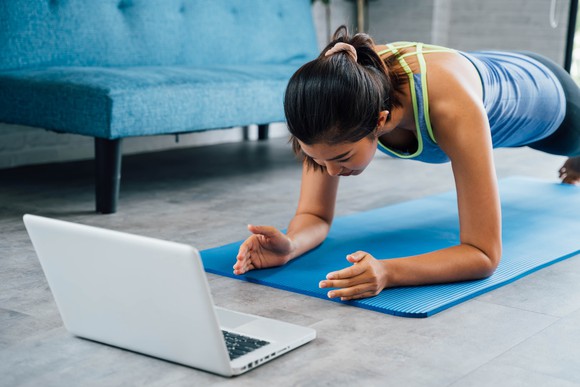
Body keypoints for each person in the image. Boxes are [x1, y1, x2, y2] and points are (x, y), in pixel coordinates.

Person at [233, 26, 580, 301]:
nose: (331, 171)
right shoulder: (339, 95)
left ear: (381, 120)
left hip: (551, 102)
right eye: (316, 159)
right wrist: (290, 246)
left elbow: (483, 254)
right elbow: (316, 216)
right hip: (488, 67)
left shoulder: (451, 109)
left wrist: (389, 272)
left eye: (341, 158)